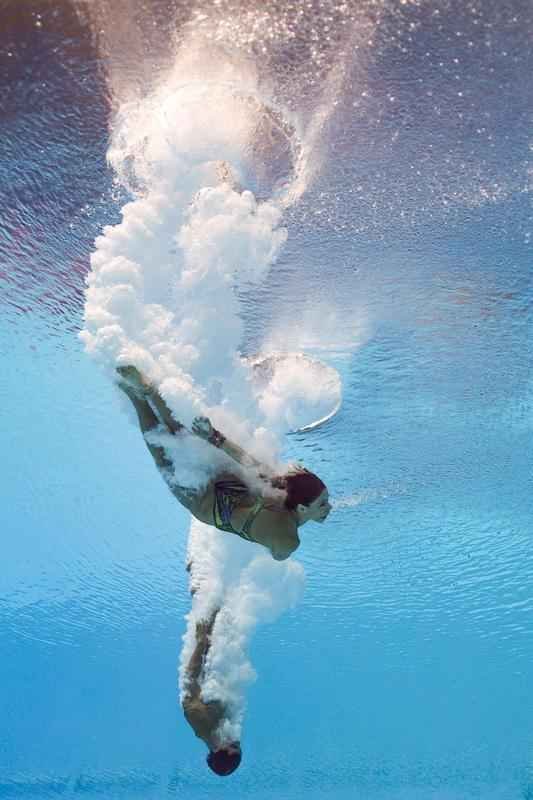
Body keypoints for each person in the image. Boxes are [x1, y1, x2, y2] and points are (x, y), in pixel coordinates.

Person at [116, 365, 332, 560]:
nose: (329, 508)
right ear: (302, 508)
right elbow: (278, 554)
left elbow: (250, 463)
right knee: (163, 455)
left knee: (184, 437)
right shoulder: (289, 541)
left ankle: (151, 391)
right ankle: (136, 397)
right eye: (323, 503)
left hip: (227, 482)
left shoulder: (278, 491)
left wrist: (213, 436)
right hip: (204, 503)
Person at [182, 609, 242, 776]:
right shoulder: (221, 730)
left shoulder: (200, 721)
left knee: (205, 630)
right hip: (212, 676)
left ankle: (201, 593)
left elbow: (191, 677)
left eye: (233, 746)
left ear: (217, 749)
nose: (236, 741)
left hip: (200, 669)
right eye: (238, 746)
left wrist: (202, 642)